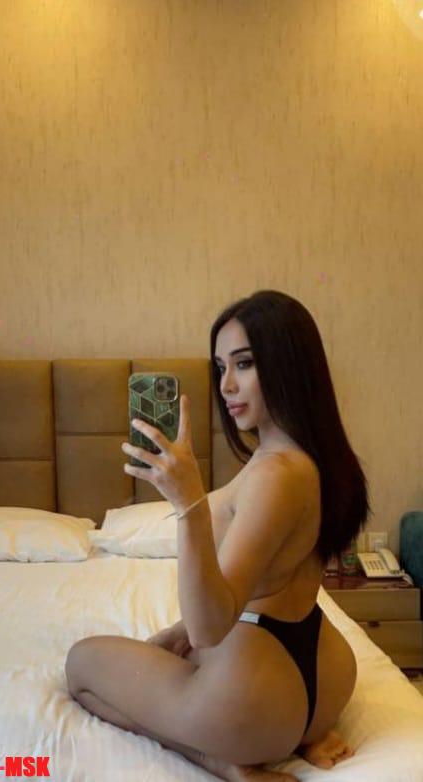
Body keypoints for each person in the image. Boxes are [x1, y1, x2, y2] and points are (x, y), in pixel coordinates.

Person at [65, 289, 372, 782]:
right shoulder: (307, 459)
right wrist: (179, 633)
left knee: (81, 667)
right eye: (220, 368)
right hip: (325, 684)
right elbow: (262, 579)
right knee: (168, 651)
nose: (226, 385)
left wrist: (188, 505)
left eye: (244, 364)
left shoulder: (276, 474)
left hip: (250, 705)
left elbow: (210, 628)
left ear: (289, 365)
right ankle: (297, 735)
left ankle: (220, 762)